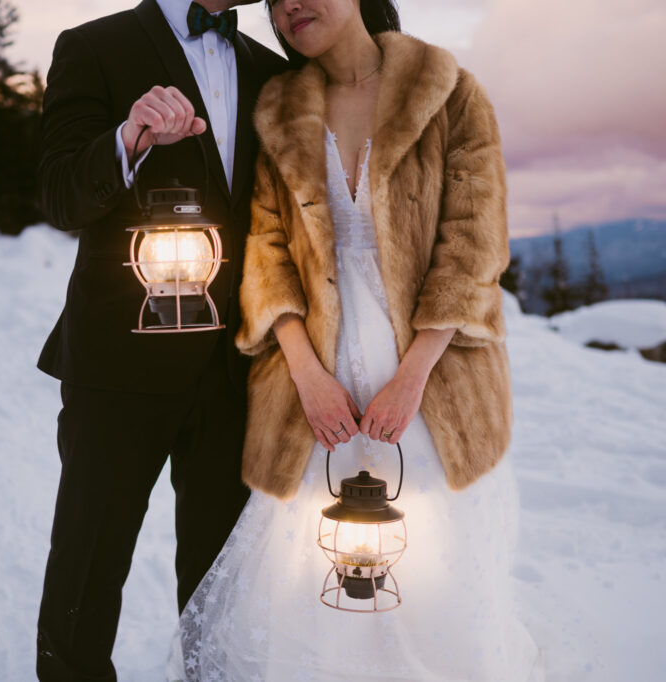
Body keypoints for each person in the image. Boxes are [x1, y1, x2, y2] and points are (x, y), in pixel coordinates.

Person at [167, 0, 545, 679]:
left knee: (427, 558)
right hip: (313, 378)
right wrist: (307, 375)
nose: (288, 6)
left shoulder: (451, 92)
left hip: (431, 375)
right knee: (304, 565)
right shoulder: (278, 109)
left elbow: (474, 248)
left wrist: (411, 377)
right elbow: (265, 252)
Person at [33, 0, 287, 679]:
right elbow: (59, 195)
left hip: (233, 368)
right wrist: (130, 137)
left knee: (221, 583)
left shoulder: (273, 70)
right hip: (119, 362)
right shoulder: (93, 46)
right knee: (88, 568)